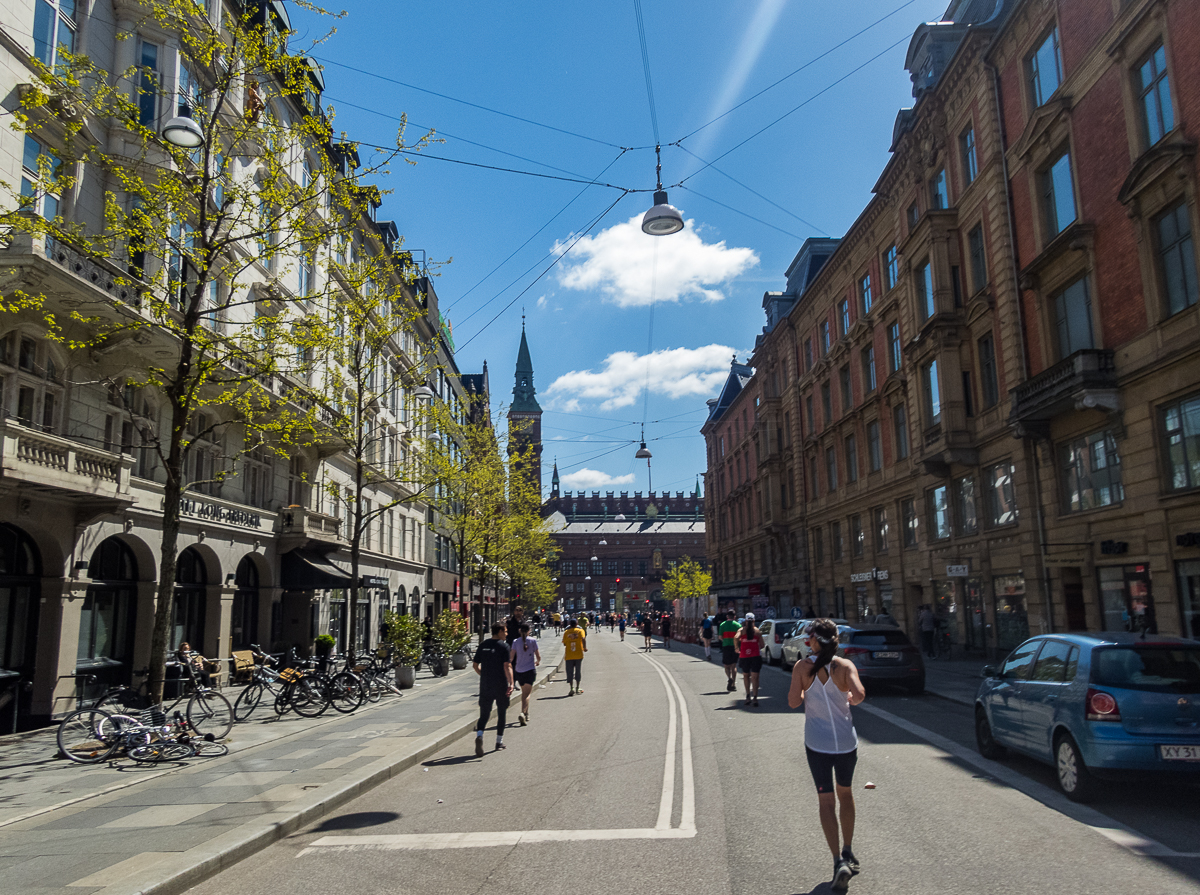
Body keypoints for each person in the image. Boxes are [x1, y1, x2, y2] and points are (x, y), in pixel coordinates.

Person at [788, 618, 866, 891]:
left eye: (809, 638)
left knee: (825, 801)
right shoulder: (845, 666)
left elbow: (793, 701)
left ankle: (837, 861)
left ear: (814, 641)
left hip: (817, 744)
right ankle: (848, 849)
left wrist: (805, 689)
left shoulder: (802, 667)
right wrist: (847, 699)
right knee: (846, 793)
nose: (807, 641)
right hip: (846, 743)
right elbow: (859, 695)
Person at [472, 622, 514, 756]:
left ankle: (479, 735)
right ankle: (499, 742)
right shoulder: (504, 646)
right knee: (502, 712)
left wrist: (483, 674)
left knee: (484, 713)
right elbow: (507, 666)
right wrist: (511, 683)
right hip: (500, 684)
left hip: (485, 684)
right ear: (500, 631)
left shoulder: (483, 645)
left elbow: (475, 665)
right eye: (505, 631)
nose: (506, 634)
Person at [509, 622, 540, 725]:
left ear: (519, 631)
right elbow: (538, 656)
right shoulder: (533, 641)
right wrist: (537, 662)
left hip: (519, 670)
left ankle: (526, 713)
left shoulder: (515, 642)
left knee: (524, 693)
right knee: (527, 694)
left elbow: (511, 657)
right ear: (529, 631)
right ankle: (523, 713)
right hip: (530, 670)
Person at [735, 613, 765, 706]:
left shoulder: (741, 630)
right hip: (755, 656)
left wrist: (737, 648)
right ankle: (755, 697)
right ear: (754, 621)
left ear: (745, 621)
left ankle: (748, 696)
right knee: (755, 677)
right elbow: (762, 645)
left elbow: (736, 637)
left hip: (744, 656)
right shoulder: (757, 631)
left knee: (746, 676)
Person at [562, 617, 587, 695]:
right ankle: (577, 687)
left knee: (570, 672)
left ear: (570, 624)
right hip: (578, 654)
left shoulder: (566, 632)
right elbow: (583, 638)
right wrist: (584, 647)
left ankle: (571, 688)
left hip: (569, 655)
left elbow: (564, 643)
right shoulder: (580, 631)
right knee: (578, 671)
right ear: (577, 624)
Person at [718, 611, 741, 691]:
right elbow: (740, 638)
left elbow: (720, 637)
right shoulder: (738, 625)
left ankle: (729, 678)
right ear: (734, 617)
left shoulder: (722, 625)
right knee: (733, 666)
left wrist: (725, 639)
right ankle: (733, 683)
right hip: (735, 647)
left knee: (726, 666)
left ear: (727, 616)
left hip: (726, 646)